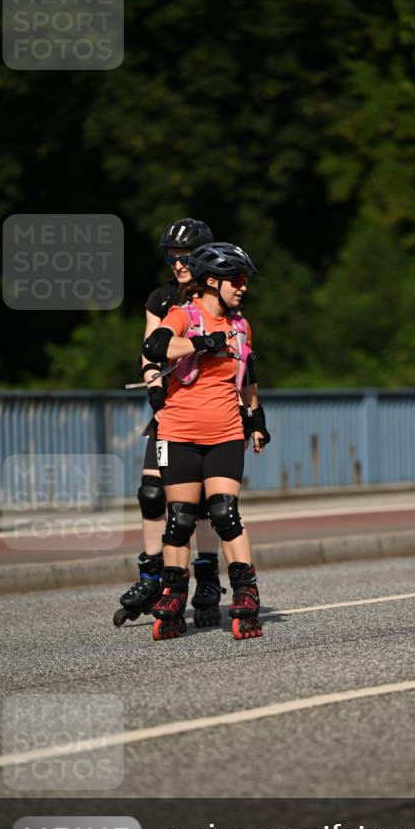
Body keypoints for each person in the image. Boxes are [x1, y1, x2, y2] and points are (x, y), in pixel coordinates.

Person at [142, 241, 270, 642]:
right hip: (178, 432)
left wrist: (257, 420)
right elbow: (155, 346)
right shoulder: (185, 315)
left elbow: (247, 377)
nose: (242, 287)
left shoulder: (240, 325)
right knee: (179, 518)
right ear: (212, 282)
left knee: (224, 512)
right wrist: (203, 343)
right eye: (237, 279)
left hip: (226, 433)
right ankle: (174, 596)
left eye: (245, 279)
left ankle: (246, 593)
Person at [114, 218, 230, 628]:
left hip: (209, 412)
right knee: (151, 493)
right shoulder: (160, 299)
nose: (178, 264)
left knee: (199, 505)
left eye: (185, 257)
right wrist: (154, 392)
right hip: (169, 410)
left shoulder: (215, 297)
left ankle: (207, 578)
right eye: (172, 257)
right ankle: (150, 574)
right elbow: (150, 353)